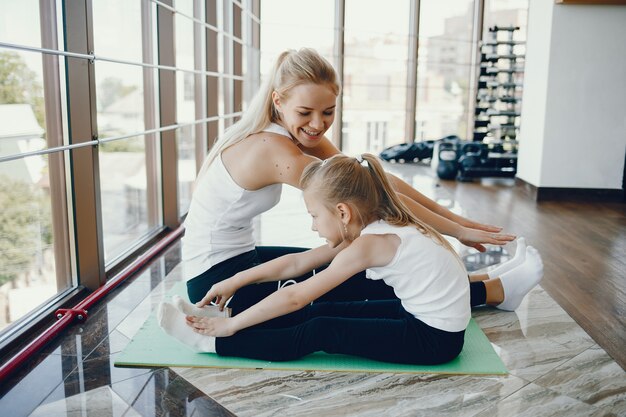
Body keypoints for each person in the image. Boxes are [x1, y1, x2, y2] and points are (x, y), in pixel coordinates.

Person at [181, 47, 516, 316]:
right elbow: (374, 197)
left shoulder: (291, 133)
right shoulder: (275, 151)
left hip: (240, 257)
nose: (317, 124)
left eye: (328, 112)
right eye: (306, 112)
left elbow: (371, 179)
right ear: (278, 101)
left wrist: (459, 221)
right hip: (213, 278)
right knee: (353, 279)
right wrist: (457, 231)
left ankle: (476, 279)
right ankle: (493, 290)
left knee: (344, 267)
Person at [158, 154, 544, 364]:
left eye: (314, 216)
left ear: (342, 212)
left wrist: (232, 326)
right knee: (319, 314)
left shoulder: (366, 244)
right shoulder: (377, 221)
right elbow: (297, 265)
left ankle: (216, 342)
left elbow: (296, 294)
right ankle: (226, 323)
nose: (312, 226)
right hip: (420, 318)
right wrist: (235, 281)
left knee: (319, 327)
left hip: (434, 341)